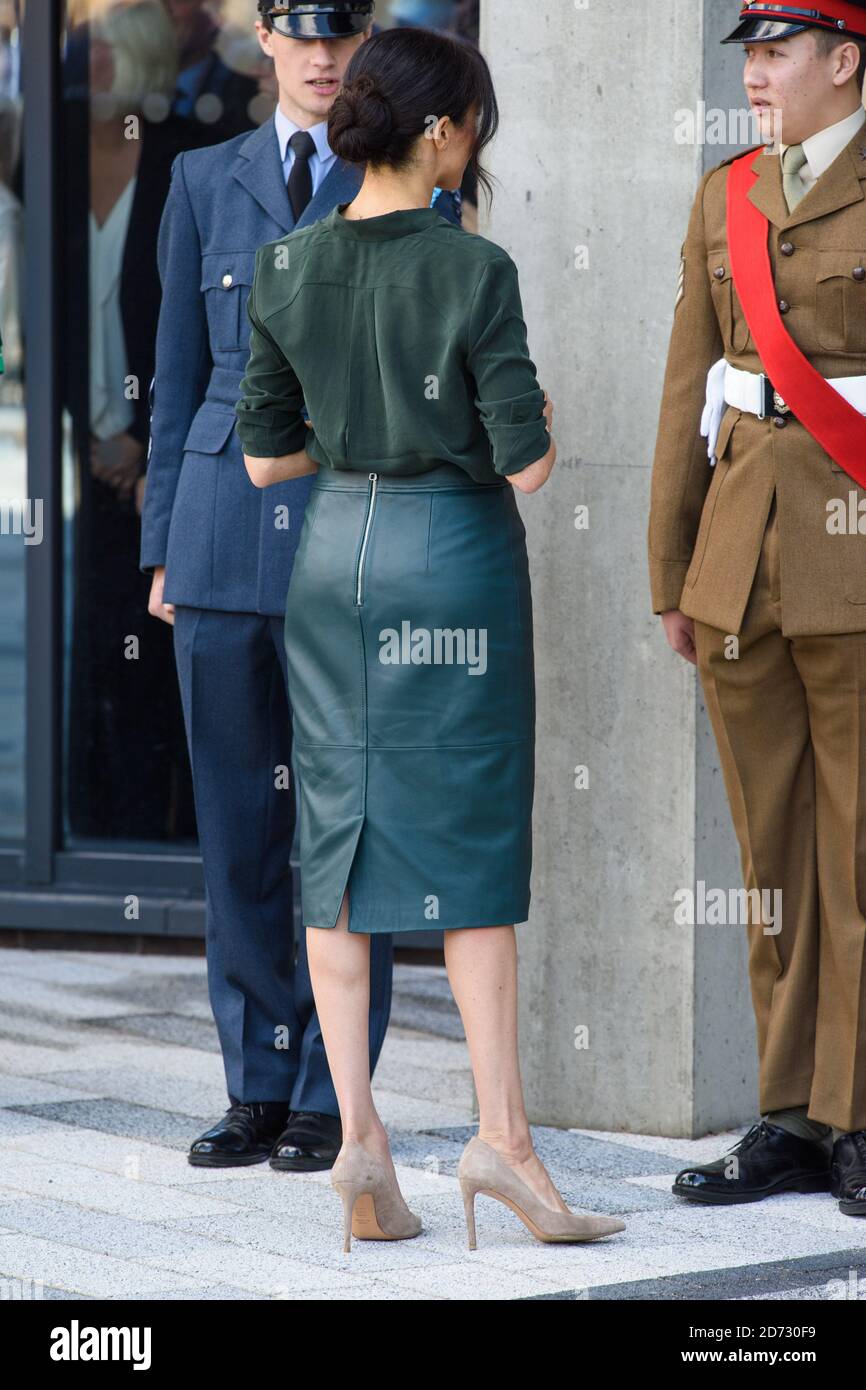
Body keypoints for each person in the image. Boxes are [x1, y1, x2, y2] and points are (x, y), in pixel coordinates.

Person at [236, 23, 626, 1252]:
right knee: (468, 848)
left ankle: (359, 1138)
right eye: (473, 127)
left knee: (335, 844)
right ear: (443, 130)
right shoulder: (470, 268)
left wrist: (359, 433)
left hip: (331, 561)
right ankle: (501, 1142)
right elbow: (526, 459)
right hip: (447, 567)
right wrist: (516, 422)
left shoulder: (287, 260)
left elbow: (261, 456)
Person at [140, 0, 461, 1174]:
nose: (323, 58)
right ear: (262, 38)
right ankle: (255, 1083)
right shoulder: (200, 178)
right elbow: (174, 377)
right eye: (301, 35)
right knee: (235, 831)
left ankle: (336, 1090)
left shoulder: (404, 173)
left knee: (345, 831)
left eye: (342, 36)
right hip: (223, 538)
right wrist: (165, 542)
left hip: (353, 532)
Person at [648, 0, 866, 1217]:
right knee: (766, 854)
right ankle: (785, 1114)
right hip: (738, 565)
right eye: (749, 54)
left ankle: (856, 1112)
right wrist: (669, 566)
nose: (757, 74)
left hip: (852, 554)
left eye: (777, 52)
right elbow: (691, 380)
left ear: (843, 62)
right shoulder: (725, 194)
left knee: (856, 849)